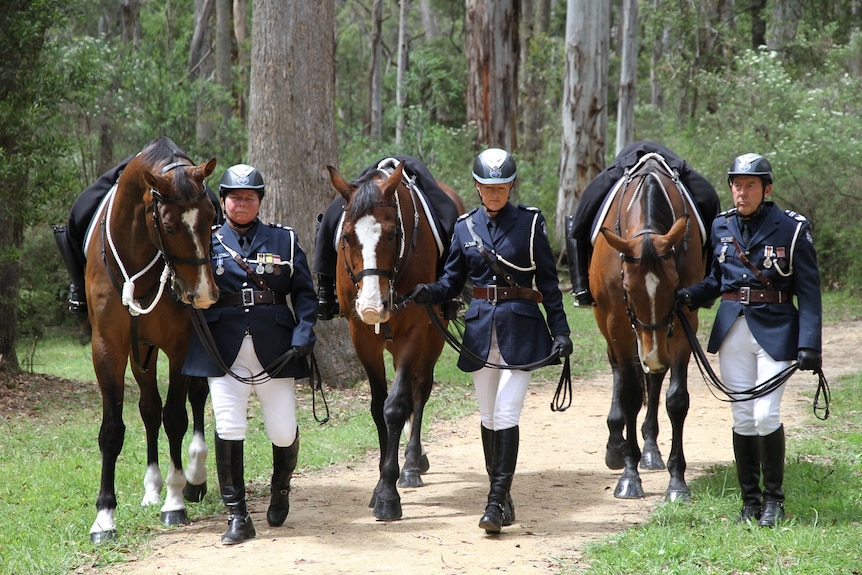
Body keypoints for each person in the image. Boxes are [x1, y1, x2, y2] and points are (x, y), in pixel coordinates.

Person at [409, 148, 573, 534]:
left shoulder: (531, 224)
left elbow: (548, 283)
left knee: (505, 414)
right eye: (487, 186)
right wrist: (428, 291)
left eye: (501, 186)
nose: (494, 192)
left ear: (511, 186)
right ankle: (502, 493)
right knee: (487, 417)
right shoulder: (464, 227)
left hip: (523, 328)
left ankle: (495, 501)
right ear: (478, 187)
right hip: (481, 331)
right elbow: (452, 281)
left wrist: (562, 330)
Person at [676, 153, 822, 527]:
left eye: (750, 185)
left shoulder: (791, 227)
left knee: (764, 413)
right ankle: (750, 503)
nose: (742, 192)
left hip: (776, 330)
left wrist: (810, 345)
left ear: (766, 189)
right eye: (737, 185)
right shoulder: (721, 225)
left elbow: (808, 291)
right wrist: (689, 294)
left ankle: (774, 501)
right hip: (732, 330)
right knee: (742, 416)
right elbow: (716, 280)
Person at [182, 163, 318, 544]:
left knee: (281, 430)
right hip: (222, 347)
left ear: (259, 201)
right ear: (222, 201)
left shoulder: (284, 241)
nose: (241, 203)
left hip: (276, 347)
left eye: (249, 197)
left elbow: (305, 295)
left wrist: (305, 333)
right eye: (234, 197)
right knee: (229, 426)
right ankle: (237, 515)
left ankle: (281, 487)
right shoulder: (203, 241)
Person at [53, 154, 223, 315]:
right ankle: (79, 288)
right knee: (81, 208)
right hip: (140, 161)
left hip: (178, 163)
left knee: (209, 204)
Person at [566, 141, 720, 307]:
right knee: (582, 213)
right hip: (628, 160)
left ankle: (709, 284)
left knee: (710, 201)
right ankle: (580, 286)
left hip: (670, 161)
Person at [313, 155, 461, 320]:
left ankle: (451, 289)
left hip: (413, 169)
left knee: (448, 212)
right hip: (372, 169)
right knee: (330, 216)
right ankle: (324, 288)